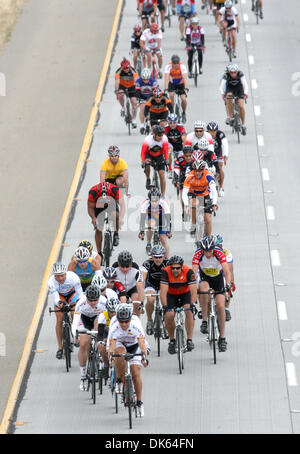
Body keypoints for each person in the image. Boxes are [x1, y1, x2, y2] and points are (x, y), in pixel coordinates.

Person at [192, 235, 231, 352]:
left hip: (218, 279)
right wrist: (193, 286)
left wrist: (228, 285)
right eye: (205, 251)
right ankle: (204, 320)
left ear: (213, 249)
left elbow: (227, 271)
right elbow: (194, 271)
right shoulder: (198, 254)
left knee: (220, 306)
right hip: (205, 278)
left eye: (209, 251)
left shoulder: (219, 253)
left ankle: (223, 338)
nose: (207, 254)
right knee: (203, 289)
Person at [108, 303, 148, 417]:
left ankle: (139, 402)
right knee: (119, 354)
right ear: (118, 319)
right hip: (120, 344)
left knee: (135, 372)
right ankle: (120, 380)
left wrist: (144, 357)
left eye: (126, 321)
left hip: (134, 345)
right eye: (121, 321)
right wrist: (111, 358)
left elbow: (142, 344)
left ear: (130, 319)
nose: (124, 324)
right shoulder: (114, 326)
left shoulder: (136, 325)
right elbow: (111, 346)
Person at [160, 255, 197, 353]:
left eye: (177, 268)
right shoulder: (166, 271)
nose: (175, 270)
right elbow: (163, 292)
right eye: (173, 268)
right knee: (169, 315)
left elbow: (193, 290)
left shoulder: (188, 271)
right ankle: (172, 340)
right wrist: (164, 306)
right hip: (171, 295)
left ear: (182, 266)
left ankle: (189, 340)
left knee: (189, 311)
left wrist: (192, 304)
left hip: (185, 295)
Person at [48, 262, 84, 360]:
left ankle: (75, 336)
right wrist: (60, 304)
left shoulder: (73, 277)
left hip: (72, 295)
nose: (60, 278)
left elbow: (80, 295)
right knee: (59, 319)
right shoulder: (51, 282)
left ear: (65, 273)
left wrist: (76, 303)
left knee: (74, 313)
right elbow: (56, 298)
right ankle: (60, 348)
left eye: (62, 275)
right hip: (60, 296)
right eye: (57, 276)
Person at [75, 285, 103, 391]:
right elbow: (75, 321)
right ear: (86, 298)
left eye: (95, 300)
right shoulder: (80, 303)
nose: (93, 303)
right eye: (90, 300)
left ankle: (99, 355)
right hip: (84, 320)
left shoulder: (104, 302)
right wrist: (76, 335)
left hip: (98, 318)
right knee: (83, 344)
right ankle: (83, 377)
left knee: (98, 332)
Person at [182, 159, 218, 236]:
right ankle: (193, 224)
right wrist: (186, 205)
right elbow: (184, 192)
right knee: (194, 204)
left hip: (205, 195)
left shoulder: (208, 176)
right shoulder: (189, 177)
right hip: (193, 194)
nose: (197, 173)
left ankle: (208, 238)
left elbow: (214, 191)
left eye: (199, 171)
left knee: (208, 219)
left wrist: (214, 203)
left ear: (203, 170)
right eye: (195, 170)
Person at [87, 181, 123, 256]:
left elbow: (122, 205)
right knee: (98, 228)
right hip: (98, 206)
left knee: (115, 216)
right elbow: (90, 208)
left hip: (111, 204)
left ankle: (116, 234)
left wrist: (121, 217)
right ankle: (99, 253)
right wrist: (93, 218)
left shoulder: (115, 190)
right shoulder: (93, 192)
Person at [140, 245, 169, 335]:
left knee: (166, 302)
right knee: (150, 300)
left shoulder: (168, 263)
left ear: (164, 256)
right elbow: (142, 279)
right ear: (152, 256)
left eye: (160, 257)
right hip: (151, 285)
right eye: (155, 257)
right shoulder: (147, 264)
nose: (158, 259)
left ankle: (166, 323)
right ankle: (149, 320)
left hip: (163, 285)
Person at [138, 187, 172, 257]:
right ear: (149, 200)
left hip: (162, 218)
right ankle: (148, 243)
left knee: (163, 240)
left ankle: (167, 260)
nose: (154, 203)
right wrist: (142, 232)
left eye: (156, 201)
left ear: (159, 199)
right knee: (151, 223)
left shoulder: (164, 203)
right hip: (151, 217)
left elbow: (168, 218)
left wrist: (169, 231)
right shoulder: (145, 204)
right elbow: (142, 219)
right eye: (152, 201)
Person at [112, 251, 145, 316]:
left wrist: (141, 303)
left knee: (136, 300)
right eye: (122, 266)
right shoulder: (114, 268)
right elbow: (110, 284)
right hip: (119, 289)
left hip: (132, 288)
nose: (125, 269)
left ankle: (136, 319)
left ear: (131, 264)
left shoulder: (136, 269)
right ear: (118, 264)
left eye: (127, 266)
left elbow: (140, 287)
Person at [220, 63, 248, 135]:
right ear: (229, 72)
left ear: (237, 71)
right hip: (230, 89)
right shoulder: (226, 76)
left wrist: (245, 94)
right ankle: (231, 117)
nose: (233, 74)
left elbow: (245, 84)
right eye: (231, 73)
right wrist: (223, 95)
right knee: (228, 97)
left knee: (241, 106)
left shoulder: (240, 74)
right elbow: (221, 86)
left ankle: (243, 125)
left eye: (235, 72)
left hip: (239, 89)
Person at [141, 123, 169, 196]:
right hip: (149, 154)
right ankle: (148, 178)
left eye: (161, 135)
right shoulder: (147, 140)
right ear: (154, 134)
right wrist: (143, 161)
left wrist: (167, 159)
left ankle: (163, 195)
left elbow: (166, 151)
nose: (160, 137)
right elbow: (143, 152)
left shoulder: (164, 139)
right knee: (147, 164)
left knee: (162, 174)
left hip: (159, 156)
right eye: (159, 135)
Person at [97, 296, 120, 380]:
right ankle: (106, 364)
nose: (114, 314)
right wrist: (101, 341)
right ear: (107, 310)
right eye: (111, 312)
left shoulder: (121, 315)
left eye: (115, 312)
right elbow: (99, 333)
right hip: (105, 334)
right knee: (102, 346)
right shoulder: (103, 316)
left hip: (117, 335)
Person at [213, 233, 235, 321]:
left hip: (223, 272)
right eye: (214, 247)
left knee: (228, 285)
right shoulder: (208, 252)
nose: (216, 248)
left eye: (218, 246)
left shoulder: (226, 253)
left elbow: (229, 270)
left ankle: (226, 308)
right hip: (211, 272)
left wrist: (230, 283)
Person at [115, 58, 138, 128]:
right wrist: (117, 90)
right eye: (124, 68)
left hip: (131, 86)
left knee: (134, 103)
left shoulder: (133, 71)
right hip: (122, 86)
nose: (126, 70)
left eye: (127, 68)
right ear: (122, 67)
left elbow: (136, 81)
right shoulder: (118, 71)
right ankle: (122, 107)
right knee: (120, 95)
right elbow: (117, 81)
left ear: (129, 66)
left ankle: (134, 120)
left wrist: (137, 89)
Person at [164, 55, 188, 124]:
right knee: (171, 95)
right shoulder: (168, 67)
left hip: (181, 84)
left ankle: (183, 112)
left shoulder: (182, 66)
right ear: (172, 63)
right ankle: (172, 111)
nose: (176, 65)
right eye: (174, 64)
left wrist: (186, 88)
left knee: (183, 99)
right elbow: (166, 78)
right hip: (172, 84)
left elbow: (185, 78)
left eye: (177, 64)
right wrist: (166, 89)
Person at [207, 121, 229, 197]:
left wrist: (225, 155)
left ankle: (221, 187)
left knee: (219, 167)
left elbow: (225, 144)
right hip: (209, 152)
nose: (212, 133)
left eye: (214, 131)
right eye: (210, 132)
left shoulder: (220, 134)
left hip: (219, 152)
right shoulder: (205, 135)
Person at [135, 68, 158, 134]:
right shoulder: (138, 81)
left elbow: (155, 92)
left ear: (150, 77)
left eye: (147, 79)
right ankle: (142, 124)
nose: (145, 81)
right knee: (142, 108)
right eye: (144, 79)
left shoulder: (153, 81)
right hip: (142, 97)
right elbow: (137, 92)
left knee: (153, 108)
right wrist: (139, 100)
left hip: (151, 97)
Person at [173, 145, 193, 219]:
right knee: (183, 194)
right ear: (183, 154)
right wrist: (175, 179)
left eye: (190, 156)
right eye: (186, 156)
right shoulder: (179, 160)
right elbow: (176, 170)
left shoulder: (195, 159)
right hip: (183, 178)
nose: (188, 158)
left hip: (194, 178)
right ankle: (184, 210)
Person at [164, 113, 186, 178]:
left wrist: (185, 147)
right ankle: (170, 170)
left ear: (177, 122)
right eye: (170, 123)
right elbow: (164, 140)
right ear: (168, 122)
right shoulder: (165, 129)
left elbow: (184, 138)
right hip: (170, 145)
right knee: (169, 151)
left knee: (181, 159)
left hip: (179, 145)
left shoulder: (181, 127)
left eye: (174, 122)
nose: (172, 124)